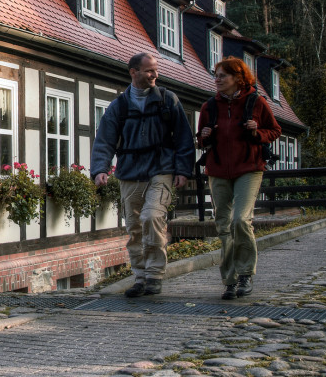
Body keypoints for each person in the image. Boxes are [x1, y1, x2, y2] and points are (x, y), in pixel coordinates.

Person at [92, 52, 195, 297]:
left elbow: (183, 138)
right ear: (133, 72)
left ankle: (155, 274)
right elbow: (105, 140)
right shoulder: (119, 105)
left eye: (156, 70)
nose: (155, 75)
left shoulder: (168, 100)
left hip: (161, 170)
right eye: (149, 70)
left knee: (152, 217)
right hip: (129, 173)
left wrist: (183, 169)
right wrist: (100, 169)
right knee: (135, 228)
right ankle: (140, 277)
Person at [197, 57, 281, 300]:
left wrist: (258, 131)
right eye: (215, 75)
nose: (217, 79)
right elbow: (202, 141)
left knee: (241, 220)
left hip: (249, 168)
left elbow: (275, 131)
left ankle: (245, 274)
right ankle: (230, 281)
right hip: (218, 170)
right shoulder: (209, 106)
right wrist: (203, 136)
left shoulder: (257, 102)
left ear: (238, 78)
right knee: (224, 225)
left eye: (223, 75)